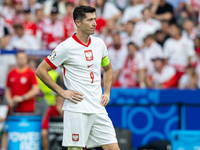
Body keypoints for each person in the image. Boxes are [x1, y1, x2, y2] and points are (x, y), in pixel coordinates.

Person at [36, 5, 119, 150]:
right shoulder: (66, 47)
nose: (94, 23)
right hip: (77, 109)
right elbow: (41, 70)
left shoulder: (99, 44)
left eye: (95, 19)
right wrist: (62, 92)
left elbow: (108, 69)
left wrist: (107, 92)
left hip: (98, 108)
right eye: (89, 20)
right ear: (78, 22)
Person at [1, 51, 39, 150]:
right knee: (7, 129)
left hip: (28, 110)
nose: (21, 60)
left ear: (26, 59)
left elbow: (35, 90)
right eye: (19, 58)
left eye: (23, 58)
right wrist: (9, 100)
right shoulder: (11, 73)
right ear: (16, 59)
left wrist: (22, 98)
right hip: (13, 109)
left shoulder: (30, 73)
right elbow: (7, 89)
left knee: (25, 132)